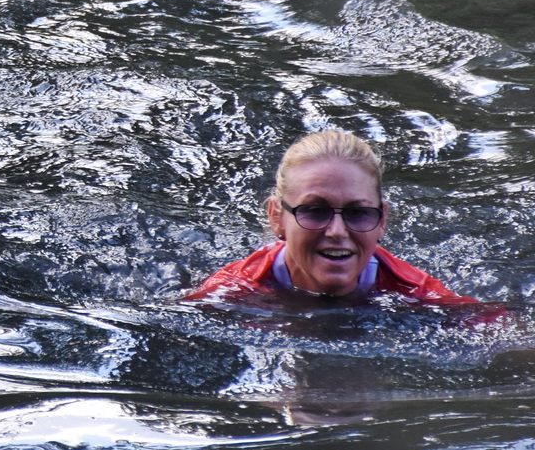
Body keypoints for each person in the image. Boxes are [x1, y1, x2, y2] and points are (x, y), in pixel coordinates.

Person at [187, 130, 499, 318]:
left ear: (381, 221)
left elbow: (503, 333)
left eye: (358, 213)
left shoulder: (413, 291)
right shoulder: (235, 288)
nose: (337, 232)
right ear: (277, 217)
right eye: (315, 210)